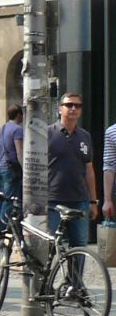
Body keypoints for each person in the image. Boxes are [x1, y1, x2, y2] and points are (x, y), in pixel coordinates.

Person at [50, 93, 98, 252]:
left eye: (77, 106)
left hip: (79, 200)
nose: (73, 108)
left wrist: (93, 201)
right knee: (49, 246)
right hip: (52, 201)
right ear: (60, 109)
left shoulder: (85, 136)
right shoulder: (48, 133)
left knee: (79, 246)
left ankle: (75, 271)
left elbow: (89, 169)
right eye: (69, 105)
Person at [0, 105, 25, 200]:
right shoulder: (18, 129)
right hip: (12, 169)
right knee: (10, 199)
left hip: (2, 166)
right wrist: (25, 169)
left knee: (4, 197)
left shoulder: (2, 128)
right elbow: (19, 152)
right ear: (18, 115)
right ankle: (4, 211)